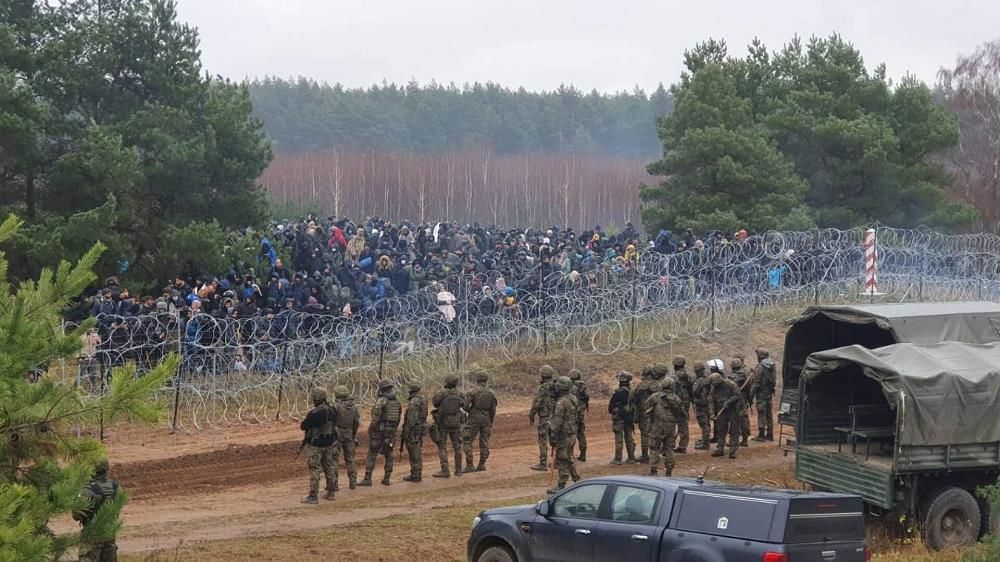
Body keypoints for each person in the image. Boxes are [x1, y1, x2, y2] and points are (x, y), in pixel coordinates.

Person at [73, 459, 121, 562]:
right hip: (110, 533)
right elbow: (118, 506)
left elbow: (76, 515)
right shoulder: (115, 486)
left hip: (92, 534)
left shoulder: (88, 490)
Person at [359, 379, 401, 486]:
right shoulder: (397, 402)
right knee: (389, 454)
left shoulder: (381, 401)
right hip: (391, 432)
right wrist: (393, 430)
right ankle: (387, 478)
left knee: (372, 454)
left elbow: (375, 419)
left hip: (379, 432)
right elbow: (398, 418)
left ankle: (367, 478)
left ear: (382, 389)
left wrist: (371, 429)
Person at [300, 387, 337, 503]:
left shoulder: (314, 413)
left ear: (316, 399)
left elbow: (303, 426)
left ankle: (313, 496)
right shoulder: (332, 410)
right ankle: (331, 492)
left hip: (316, 444)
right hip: (329, 442)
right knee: (328, 467)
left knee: (314, 468)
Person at [547, 376, 581, 494]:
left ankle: (561, 484)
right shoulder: (573, 398)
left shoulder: (561, 402)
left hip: (564, 434)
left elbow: (557, 421)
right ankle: (576, 478)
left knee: (562, 458)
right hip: (572, 431)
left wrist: (552, 435)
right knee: (568, 456)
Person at [644, 378, 685, 476]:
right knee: (669, 449)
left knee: (654, 448)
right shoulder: (676, 398)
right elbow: (682, 413)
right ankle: (669, 471)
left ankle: (654, 471)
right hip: (671, 427)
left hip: (657, 426)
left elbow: (646, 406)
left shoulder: (655, 396)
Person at [462, 369, 497, 472]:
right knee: (484, 442)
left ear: (477, 380)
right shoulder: (491, 393)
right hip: (486, 418)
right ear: (486, 380)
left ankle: (469, 465)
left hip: (474, 418)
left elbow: (465, 407)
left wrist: (470, 410)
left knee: (467, 440)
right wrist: (490, 421)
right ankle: (482, 464)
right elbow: (493, 410)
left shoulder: (473, 392)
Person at [708, 361, 744, 459]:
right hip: (722, 411)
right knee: (721, 430)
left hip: (733, 410)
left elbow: (738, 395)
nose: (716, 387)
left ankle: (733, 450)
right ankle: (720, 449)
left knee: (734, 431)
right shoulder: (714, 387)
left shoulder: (731, 384)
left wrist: (729, 401)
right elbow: (710, 401)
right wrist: (711, 413)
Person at [432, 374, 465, 478]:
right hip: (456, 422)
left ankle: (445, 470)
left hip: (443, 422)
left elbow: (435, 403)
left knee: (442, 446)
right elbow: (463, 404)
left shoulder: (441, 393)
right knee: (457, 446)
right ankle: (458, 470)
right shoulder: (460, 393)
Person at [528, 365, 556, 471]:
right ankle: (556, 461)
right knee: (555, 439)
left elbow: (537, 403)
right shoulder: (556, 386)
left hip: (544, 417)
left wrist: (531, 415)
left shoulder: (542, 388)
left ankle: (543, 463)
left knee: (543, 439)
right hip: (555, 416)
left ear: (542, 375)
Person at [332, 385, 360, 489]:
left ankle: (334, 485)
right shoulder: (353, 407)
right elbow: (356, 422)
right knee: (350, 459)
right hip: (349, 433)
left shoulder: (336, 406)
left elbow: (332, 421)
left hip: (337, 433)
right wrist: (353, 435)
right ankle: (353, 483)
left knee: (334, 458)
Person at [608, 371, 637, 464]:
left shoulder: (618, 392)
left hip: (619, 418)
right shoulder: (632, 391)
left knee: (619, 439)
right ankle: (631, 458)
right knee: (629, 438)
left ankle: (618, 459)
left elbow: (611, 406)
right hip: (629, 417)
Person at [402, 381, 428, 482]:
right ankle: (417, 472)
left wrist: (406, 431)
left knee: (414, 452)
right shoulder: (423, 399)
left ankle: (415, 474)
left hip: (414, 429)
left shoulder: (414, 401)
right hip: (420, 427)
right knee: (417, 450)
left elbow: (411, 418)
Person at [750, 347, 777, 442]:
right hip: (769, 392)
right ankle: (770, 434)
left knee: (761, 413)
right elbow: (773, 381)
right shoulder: (772, 365)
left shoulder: (760, 367)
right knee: (769, 414)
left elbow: (756, 384)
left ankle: (761, 435)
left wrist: (751, 396)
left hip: (761, 394)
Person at [630, 366, 654, 463]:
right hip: (655, 413)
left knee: (644, 434)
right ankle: (655, 453)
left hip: (643, 413)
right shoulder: (657, 384)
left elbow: (634, 399)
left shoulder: (640, 386)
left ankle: (645, 455)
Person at [670, 356, 692, 454]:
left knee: (671, 424)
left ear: (675, 365)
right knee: (683, 425)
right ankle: (683, 446)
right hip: (686, 403)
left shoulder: (673, 377)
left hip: (675, 402)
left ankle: (670, 445)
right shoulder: (689, 376)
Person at [729, 357, 752, 447]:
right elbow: (749, 388)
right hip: (742, 400)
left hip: (734, 400)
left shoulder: (731, 377)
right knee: (743, 420)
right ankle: (745, 440)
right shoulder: (745, 376)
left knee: (734, 420)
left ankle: (733, 441)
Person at [568, 368, 589, 462]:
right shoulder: (582, 386)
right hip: (580, 413)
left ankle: (570, 455)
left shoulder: (569, 387)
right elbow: (586, 398)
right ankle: (583, 454)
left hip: (572, 414)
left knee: (571, 434)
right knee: (581, 434)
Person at [690, 363, 711, 450]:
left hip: (700, 404)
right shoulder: (707, 378)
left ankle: (705, 443)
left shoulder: (699, 381)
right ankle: (705, 440)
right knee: (707, 423)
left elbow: (695, 392)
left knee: (703, 424)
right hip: (707, 404)